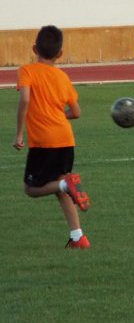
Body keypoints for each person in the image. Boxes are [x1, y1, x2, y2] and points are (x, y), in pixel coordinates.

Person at [13, 25, 91, 249]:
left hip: (43, 143)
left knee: (31, 189)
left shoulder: (27, 71)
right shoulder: (62, 76)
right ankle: (78, 237)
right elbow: (76, 112)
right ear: (60, 54)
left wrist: (19, 133)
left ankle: (67, 185)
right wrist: (57, 115)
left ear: (34, 48)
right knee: (59, 186)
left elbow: (25, 100)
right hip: (66, 139)